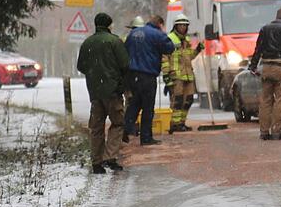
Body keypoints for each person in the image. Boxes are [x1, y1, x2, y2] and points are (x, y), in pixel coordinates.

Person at [76, 13, 129, 174]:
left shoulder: (87, 43)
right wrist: (117, 80)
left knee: (96, 127)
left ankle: (96, 162)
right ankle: (110, 157)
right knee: (117, 123)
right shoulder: (115, 41)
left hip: (95, 92)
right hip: (113, 91)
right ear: (109, 25)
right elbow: (125, 64)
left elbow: (81, 67)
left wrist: (95, 74)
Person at [124, 15, 174, 146]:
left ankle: (124, 130)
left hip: (133, 75)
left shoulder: (133, 34)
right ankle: (146, 137)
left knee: (135, 104)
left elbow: (125, 51)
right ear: (160, 24)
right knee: (147, 107)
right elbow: (169, 48)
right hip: (147, 75)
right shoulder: (156, 34)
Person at [249, 7, 281, 140]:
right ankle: (277, 131)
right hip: (280, 67)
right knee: (280, 101)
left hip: (266, 67)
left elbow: (258, 49)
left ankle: (264, 132)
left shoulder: (265, 29)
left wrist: (253, 65)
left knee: (265, 101)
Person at [164, 13, 203, 133]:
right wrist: (166, 75)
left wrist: (197, 50)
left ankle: (182, 123)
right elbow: (165, 58)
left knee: (189, 100)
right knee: (178, 100)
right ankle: (175, 124)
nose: (183, 27)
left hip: (188, 75)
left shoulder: (186, 40)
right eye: (180, 25)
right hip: (176, 75)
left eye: (185, 25)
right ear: (175, 26)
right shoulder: (169, 39)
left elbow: (189, 57)